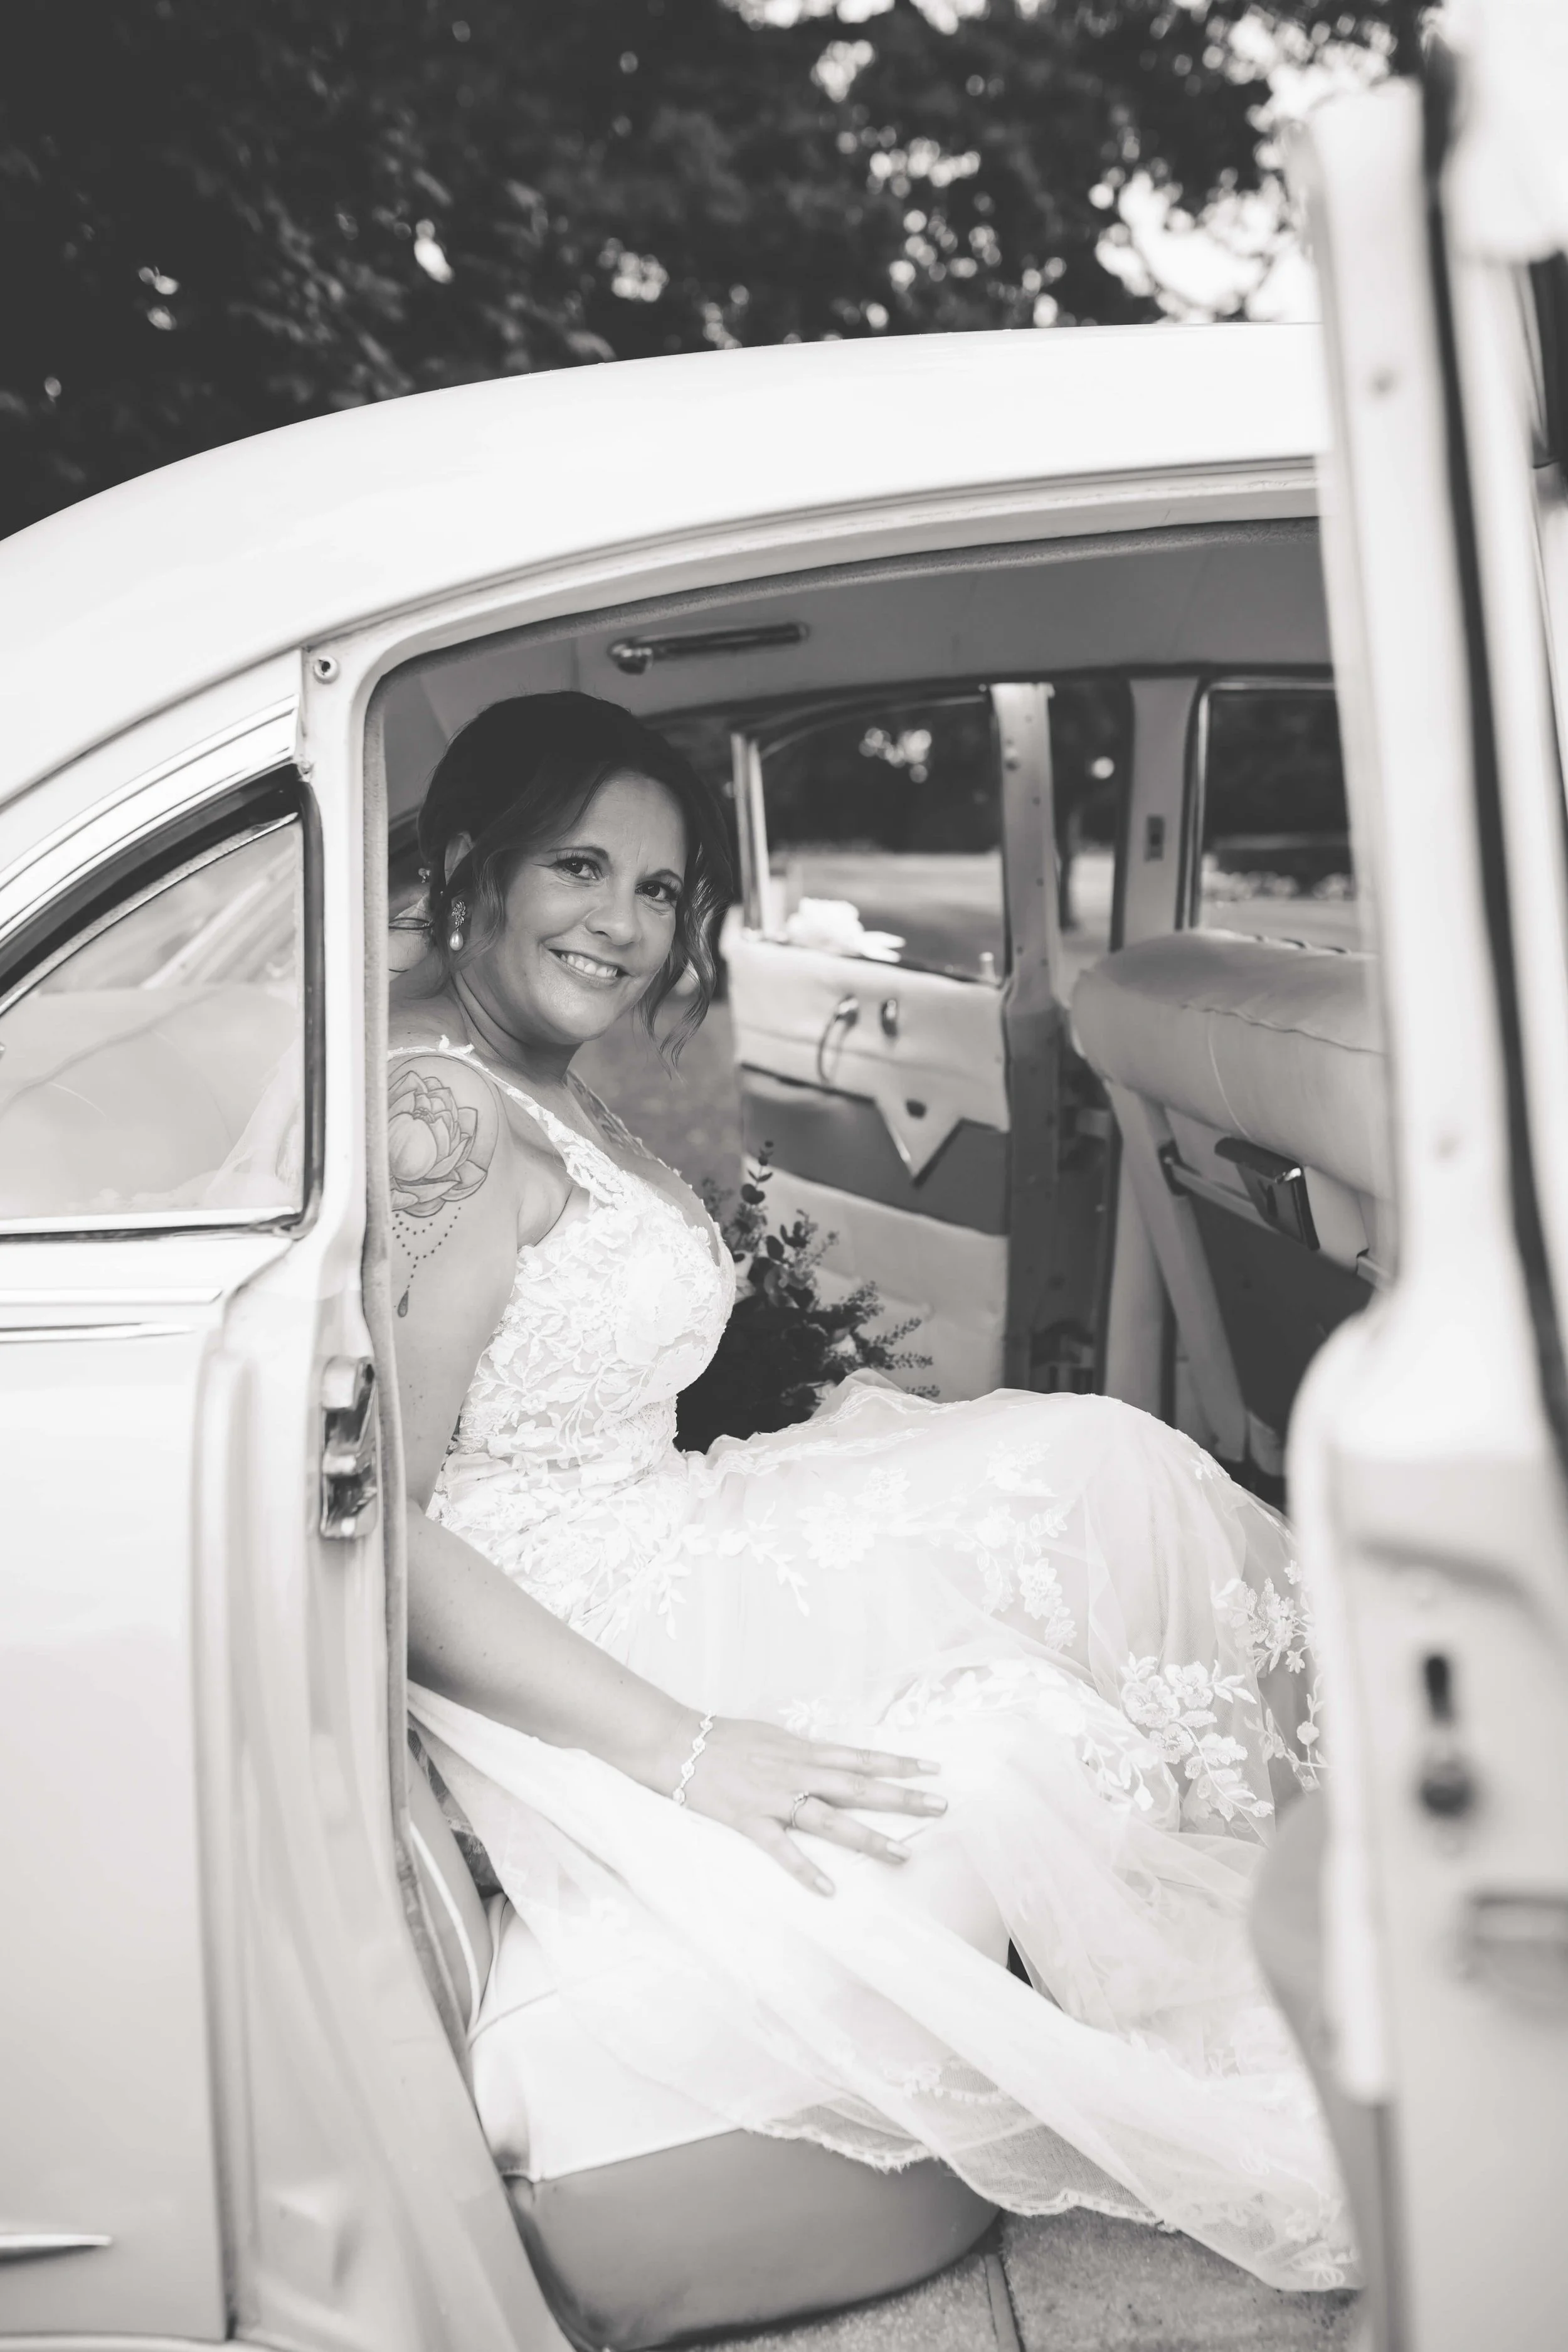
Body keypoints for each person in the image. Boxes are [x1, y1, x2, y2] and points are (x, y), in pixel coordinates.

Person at [389, 691, 1352, 2294]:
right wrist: (686, 1755)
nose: (625, 928)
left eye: (658, 891)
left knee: (1099, 1468)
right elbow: (382, 1532)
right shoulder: (440, 1113)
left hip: (666, 1521)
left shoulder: (522, 1066)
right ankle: (1391, 1914)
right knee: (1100, 1487)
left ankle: (1351, 1897)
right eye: (580, 869)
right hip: (592, 1618)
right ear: (476, 865)